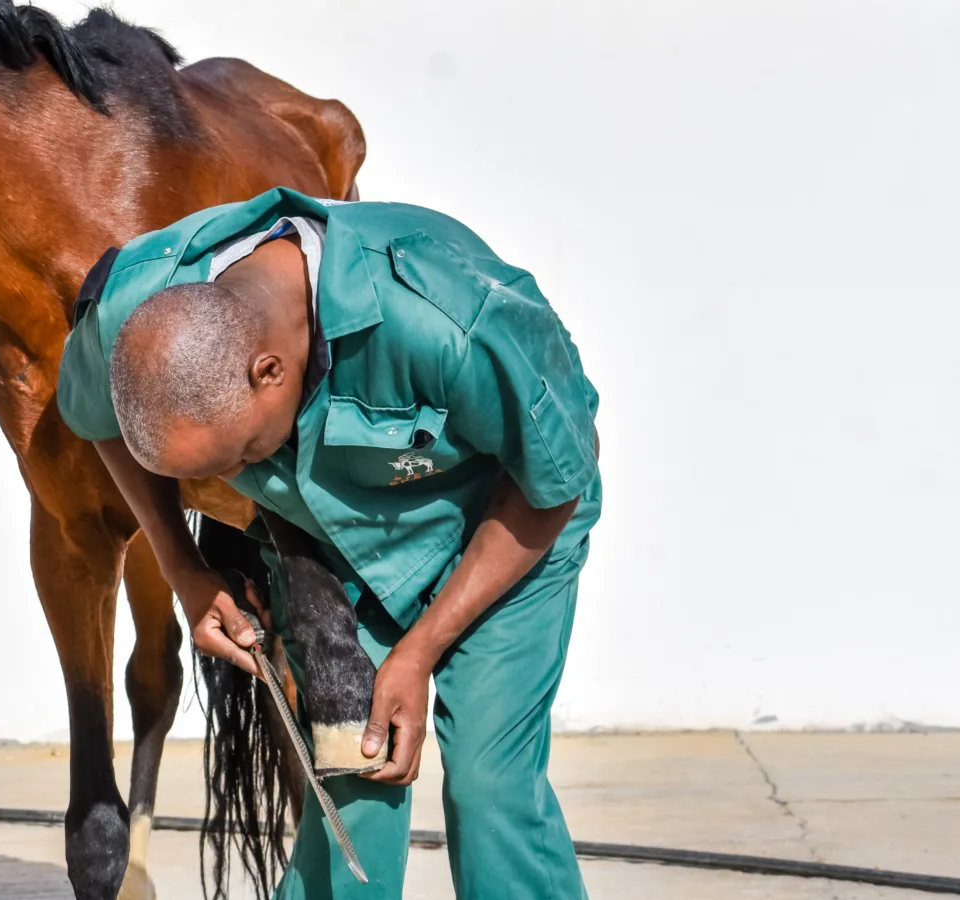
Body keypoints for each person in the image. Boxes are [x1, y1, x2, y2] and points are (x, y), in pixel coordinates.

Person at [56, 187, 602, 898]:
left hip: (506, 525)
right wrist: (181, 564)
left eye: (239, 454)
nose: (228, 485)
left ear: (269, 371)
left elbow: (556, 478)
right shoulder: (132, 312)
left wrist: (421, 648)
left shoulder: (447, 320)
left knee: (489, 787)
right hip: (339, 541)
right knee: (354, 773)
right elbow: (99, 418)